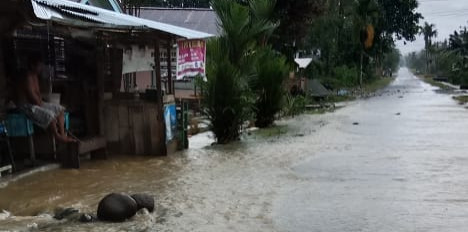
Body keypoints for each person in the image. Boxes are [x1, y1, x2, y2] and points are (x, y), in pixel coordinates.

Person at [14, 55, 76, 143]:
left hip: (38, 103)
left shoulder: (35, 76)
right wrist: (42, 105)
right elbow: (32, 98)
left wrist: (43, 102)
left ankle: (62, 135)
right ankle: (57, 136)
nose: (41, 68)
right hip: (27, 106)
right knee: (50, 115)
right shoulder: (27, 78)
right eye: (39, 65)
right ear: (32, 65)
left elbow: (38, 94)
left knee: (60, 109)